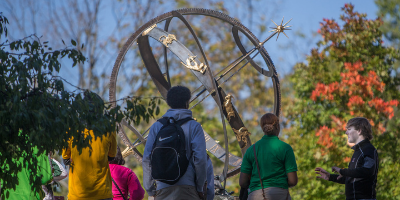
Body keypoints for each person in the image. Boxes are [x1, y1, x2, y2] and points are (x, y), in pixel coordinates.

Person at [142, 85, 207, 200]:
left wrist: (150, 190)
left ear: (169, 103)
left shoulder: (157, 126)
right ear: (187, 102)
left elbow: (147, 158)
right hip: (188, 188)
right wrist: (200, 187)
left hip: (162, 188)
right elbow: (200, 159)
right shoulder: (194, 126)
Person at [315, 117, 379, 200]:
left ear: (359, 131)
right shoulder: (358, 151)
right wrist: (330, 177)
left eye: (349, 129)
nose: (346, 132)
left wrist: (342, 171)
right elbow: (352, 178)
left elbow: (367, 171)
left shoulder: (368, 149)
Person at [239, 113, 298, 200]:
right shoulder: (285, 148)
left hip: (256, 195)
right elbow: (293, 181)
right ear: (277, 126)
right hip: (279, 194)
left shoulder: (251, 150)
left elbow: (242, 182)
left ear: (263, 128)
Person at [62, 128, 117, 200]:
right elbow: (112, 156)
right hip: (102, 192)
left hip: (78, 194)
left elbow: (65, 158)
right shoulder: (109, 128)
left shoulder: (71, 129)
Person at [1, 131, 53, 200]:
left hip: (8, 196)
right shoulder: (37, 141)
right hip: (30, 196)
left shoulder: (4, 141)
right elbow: (45, 178)